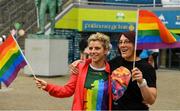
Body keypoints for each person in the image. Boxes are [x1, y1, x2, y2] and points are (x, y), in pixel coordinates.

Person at [71, 31, 157, 110]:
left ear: (136, 45)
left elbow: (151, 100)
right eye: (120, 42)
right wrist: (81, 63)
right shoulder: (114, 62)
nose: (122, 45)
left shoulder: (147, 68)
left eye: (127, 41)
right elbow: (98, 63)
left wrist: (142, 83)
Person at [35, 32, 112, 110]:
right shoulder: (79, 67)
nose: (93, 51)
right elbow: (67, 90)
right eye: (90, 48)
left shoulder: (112, 71)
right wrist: (48, 86)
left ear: (106, 50)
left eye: (97, 48)